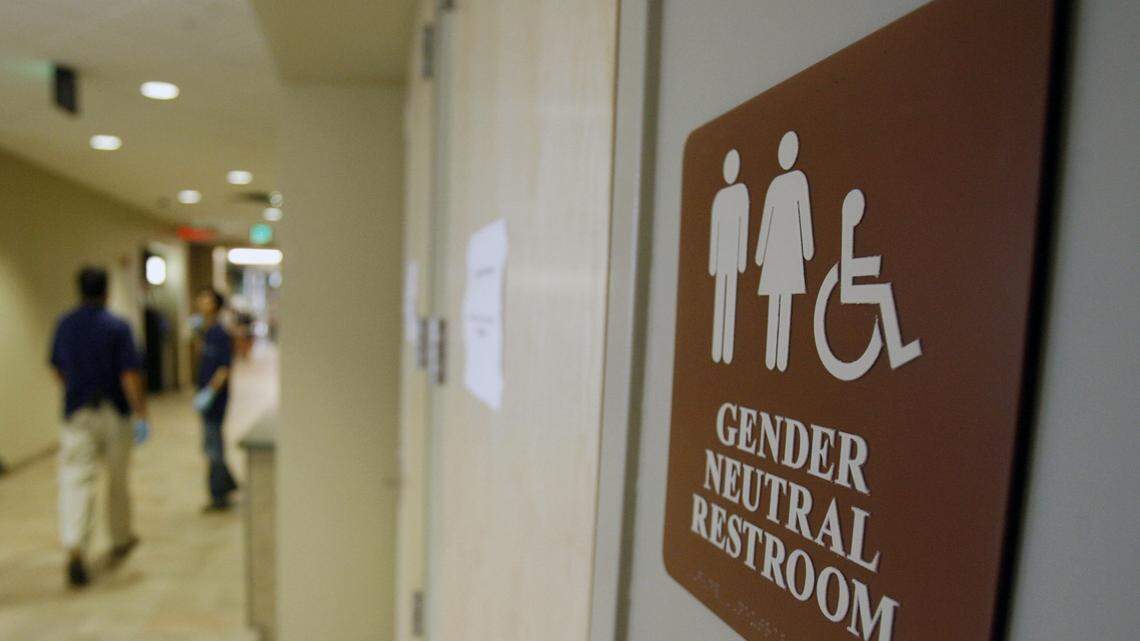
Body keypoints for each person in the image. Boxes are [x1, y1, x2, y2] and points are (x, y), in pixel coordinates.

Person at [49, 266, 150, 588]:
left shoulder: (65, 324)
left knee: (76, 478)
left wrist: (75, 389)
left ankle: (75, 546)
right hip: (113, 412)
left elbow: (56, 368)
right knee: (117, 478)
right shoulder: (117, 326)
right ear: (106, 292)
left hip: (77, 412)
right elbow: (129, 374)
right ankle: (120, 537)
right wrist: (141, 412)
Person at [755, 130, 814, 372]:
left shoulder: (799, 180)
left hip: (790, 250)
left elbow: (805, 216)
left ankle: (781, 359)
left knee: (786, 300)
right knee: (775, 301)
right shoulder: (775, 185)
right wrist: (760, 254)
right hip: (776, 252)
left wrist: (808, 248)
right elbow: (766, 219)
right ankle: (772, 357)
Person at [193, 288, 238, 511]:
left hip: (215, 399)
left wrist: (210, 392)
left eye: (206, 299)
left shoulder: (220, 333)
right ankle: (228, 484)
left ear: (215, 306)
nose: (201, 302)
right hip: (206, 395)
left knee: (213, 447)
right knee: (211, 443)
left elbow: (224, 368)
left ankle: (219, 494)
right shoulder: (206, 332)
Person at [708, 148, 750, 364]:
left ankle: (727, 349)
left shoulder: (742, 193)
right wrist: (713, 264)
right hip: (723, 259)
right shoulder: (719, 198)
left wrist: (742, 260)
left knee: (731, 298)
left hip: (733, 260)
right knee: (721, 301)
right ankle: (719, 350)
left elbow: (744, 227)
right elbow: (715, 230)